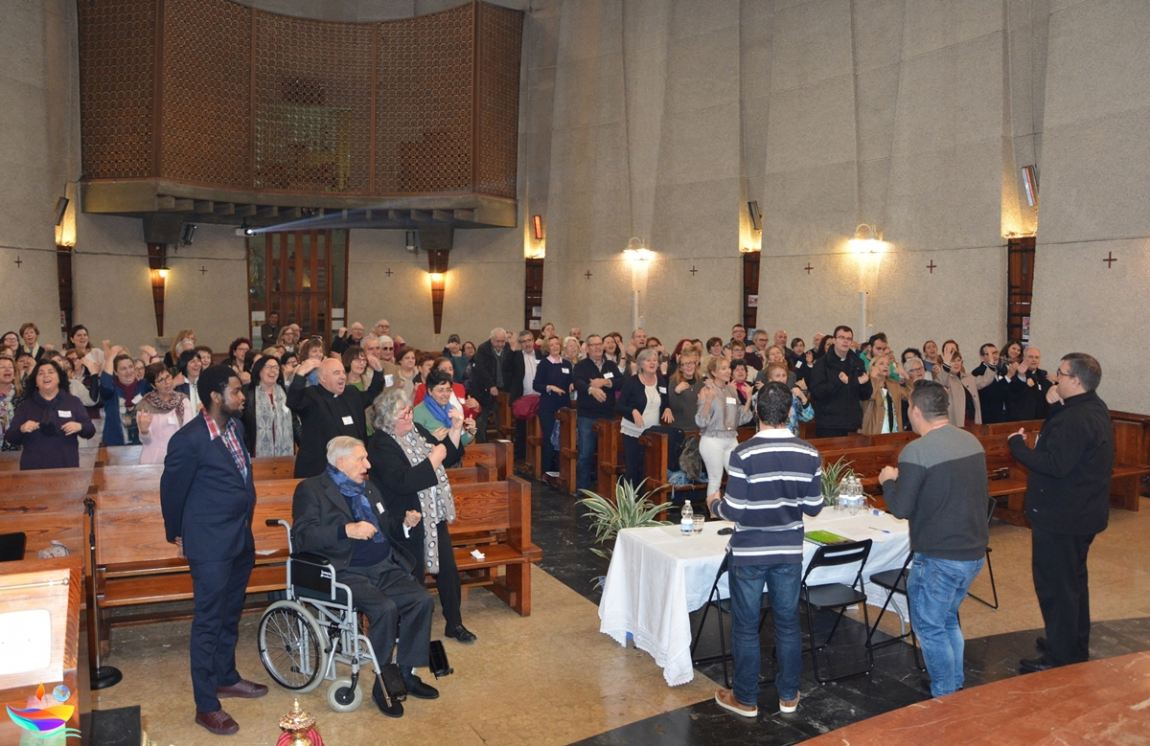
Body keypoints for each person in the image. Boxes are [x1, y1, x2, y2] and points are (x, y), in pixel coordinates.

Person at [291, 435, 437, 718]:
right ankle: (384, 686)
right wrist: (346, 530)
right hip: (343, 571)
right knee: (385, 609)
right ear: (342, 461)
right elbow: (303, 536)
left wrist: (404, 523)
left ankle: (406, 673)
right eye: (361, 459)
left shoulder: (368, 488)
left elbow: (386, 524)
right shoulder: (312, 490)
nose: (368, 464)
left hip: (383, 565)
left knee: (421, 599)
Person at [160, 365, 267, 736]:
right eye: (236, 391)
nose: (242, 396)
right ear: (216, 396)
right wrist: (177, 534)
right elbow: (172, 491)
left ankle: (226, 677)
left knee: (229, 614)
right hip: (209, 544)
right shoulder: (189, 440)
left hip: (239, 539)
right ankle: (206, 704)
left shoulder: (236, 427)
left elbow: (240, 481)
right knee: (207, 621)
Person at [707, 381, 824, 719]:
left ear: (756, 412)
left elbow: (736, 510)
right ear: (790, 413)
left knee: (746, 626)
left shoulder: (743, 453)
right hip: (788, 550)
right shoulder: (808, 452)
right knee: (787, 623)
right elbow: (814, 507)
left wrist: (715, 505)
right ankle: (789, 695)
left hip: (749, 552)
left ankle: (745, 698)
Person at [878, 380, 989, 697]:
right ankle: (955, 684)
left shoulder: (917, 450)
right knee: (948, 620)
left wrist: (889, 481)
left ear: (915, 409)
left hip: (940, 556)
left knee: (930, 627)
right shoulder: (971, 441)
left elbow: (900, 508)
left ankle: (945, 694)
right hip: (972, 551)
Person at [1010, 353, 1114, 673]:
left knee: (1057, 587)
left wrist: (1018, 448)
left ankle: (1060, 656)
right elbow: (1067, 446)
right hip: (1082, 514)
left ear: (1076, 381)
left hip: (1062, 517)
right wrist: (1055, 405)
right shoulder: (1092, 408)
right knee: (1073, 583)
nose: (1056, 378)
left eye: (1061, 374)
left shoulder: (1075, 418)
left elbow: (1055, 463)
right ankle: (1071, 641)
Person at [369, 388, 476, 645]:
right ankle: (409, 631)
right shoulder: (381, 444)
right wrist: (433, 460)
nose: (410, 416)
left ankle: (455, 623)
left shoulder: (415, 429)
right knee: (412, 576)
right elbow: (402, 482)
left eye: (408, 411)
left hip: (433, 513)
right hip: (408, 518)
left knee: (449, 572)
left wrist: (456, 429)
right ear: (388, 419)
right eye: (405, 413)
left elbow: (447, 455)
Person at [288, 356, 385, 477]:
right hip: (320, 470)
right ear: (323, 378)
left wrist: (378, 372)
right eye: (336, 373)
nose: (343, 376)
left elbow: (372, 394)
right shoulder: (311, 395)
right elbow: (293, 401)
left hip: (353, 468)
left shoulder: (351, 393)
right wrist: (300, 374)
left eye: (343, 372)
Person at [3, 359, 95, 469]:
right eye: (41, 373)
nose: (46, 375)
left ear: (59, 378)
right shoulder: (25, 406)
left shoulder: (73, 402)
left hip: (67, 467)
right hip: (32, 471)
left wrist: (80, 426)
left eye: (51, 372)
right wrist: (22, 429)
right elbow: (10, 437)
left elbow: (90, 431)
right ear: (36, 382)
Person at [696, 357, 753, 497]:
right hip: (712, 439)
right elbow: (701, 422)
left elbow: (741, 418)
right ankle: (714, 514)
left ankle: (734, 510)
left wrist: (749, 398)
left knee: (737, 476)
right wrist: (708, 401)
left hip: (731, 438)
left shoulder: (731, 390)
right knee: (715, 479)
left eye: (728, 368)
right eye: (723, 368)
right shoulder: (706, 390)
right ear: (714, 372)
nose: (728, 371)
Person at [572, 334, 621, 491]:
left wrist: (605, 382)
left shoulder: (611, 366)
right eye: (593, 345)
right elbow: (578, 382)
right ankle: (583, 488)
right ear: (587, 348)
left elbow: (621, 381)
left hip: (608, 416)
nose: (597, 347)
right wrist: (591, 389)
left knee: (608, 455)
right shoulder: (581, 365)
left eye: (600, 344)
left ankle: (605, 489)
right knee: (586, 454)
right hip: (587, 415)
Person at [616, 348, 671, 489]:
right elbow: (619, 405)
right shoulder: (632, 382)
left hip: (652, 433)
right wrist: (633, 411)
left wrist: (667, 408)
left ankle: (645, 502)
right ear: (640, 364)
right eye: (648, 360)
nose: (652, 363)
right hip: (633, 431)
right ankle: (628, 502)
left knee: (649, 469)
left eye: (654, 360)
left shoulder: (661, 381)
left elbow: (665, 400)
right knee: (633, 469)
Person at [809, 325, 872, 436]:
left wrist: (865, 382)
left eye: (848, 339)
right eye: (841, 337)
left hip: (852, 423)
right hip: (828, 424)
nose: (845, 341)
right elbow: (817, 392)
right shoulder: (821, 364)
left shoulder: (857, 362)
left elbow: (865, 395)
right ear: (834, 340)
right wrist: (841, 381)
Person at [413, 369, 477, 466]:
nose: (446, 394)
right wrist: (432, 439)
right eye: (440, 390)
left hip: (454, 462)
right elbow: (415, 445)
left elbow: (458, 443)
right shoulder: (419, 412)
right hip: (434, 465)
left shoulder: (452, 409)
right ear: (430, 391)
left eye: (448, 390)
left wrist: (471, 431)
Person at [533, 335, 572, 474]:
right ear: (547, 348)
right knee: (549, 439)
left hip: (564, 407)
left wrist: (572, 384)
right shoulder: (544, 364)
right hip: (548, 406)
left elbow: (570, 380)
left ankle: (561, 470)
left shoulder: (567, 364)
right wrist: (550, 387)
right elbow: (536, 385)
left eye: (557, 344)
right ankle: (547, 471)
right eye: (552, 345)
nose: (555, 347)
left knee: (564, 439)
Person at [137, 363, 190, 464]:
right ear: (153, 385)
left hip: (178, 457)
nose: (167, 382)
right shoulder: (145, 404)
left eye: (168, 377)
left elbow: (189, 432)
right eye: (160, 380)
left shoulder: (183, 401)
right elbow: (146, 441)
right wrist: (144, 431)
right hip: (153, 459)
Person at [241, 356, 294, 457]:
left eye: (276, 367)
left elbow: (294, 421)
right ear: (259, 370)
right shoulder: (247, 392)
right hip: (254, 452)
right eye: (269, 367)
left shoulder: (285, 393)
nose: (273, 371)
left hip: (283, 453)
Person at [100, 341, 151, 446]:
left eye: (131, 367)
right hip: (115, 444)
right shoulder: (111, 389)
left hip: (142, 443)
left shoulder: (144, 385)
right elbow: (105, 385)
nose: (129, 371)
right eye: (123, 369)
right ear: (115, 372)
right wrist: (111, 356)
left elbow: (159, 377)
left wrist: (153, 356)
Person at [468, 327, 511, 443]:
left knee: (501, 419)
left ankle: (502, 446)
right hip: (483, 391)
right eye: (498, 341)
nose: (501, 344)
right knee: (482, 420)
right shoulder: (483, 349)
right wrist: (491, 385)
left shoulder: (507, 348)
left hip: (502, 391)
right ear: (491, 339)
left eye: (503, 341)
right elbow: (481, 371)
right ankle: (481, 445)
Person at [508, 329, 541, 461]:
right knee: (521, 429)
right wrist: (512, 349)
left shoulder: (541, 355)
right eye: (523, 341)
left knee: (539, 428)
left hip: (539, 397)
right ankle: (520, 456)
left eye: (529, 340)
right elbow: (506, 367)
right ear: (520, 344)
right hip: (522, 397)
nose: (527, 344)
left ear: (533, 341)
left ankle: (537, 456)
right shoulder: (515, 356)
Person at [1006, 346, 1053, 421]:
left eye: (1037, 357)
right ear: (1024, 358)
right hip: (1021, 420)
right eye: (1031, 357)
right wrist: (1021, 376)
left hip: (1041, 420)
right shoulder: (1016, 373)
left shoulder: (1044, 375)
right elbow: (1013, 390)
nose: (1034, 360)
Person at [970, 343, 1012, 424]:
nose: (993, 356)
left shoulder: (1003, 370)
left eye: (995, 353)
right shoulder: (977, 372)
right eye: (988, 354)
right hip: (989, 418)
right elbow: (992, 393)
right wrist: (1008, 378)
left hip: (1006, 416)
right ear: (982, 358)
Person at [0, 356, 25, 453]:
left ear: (15, 374)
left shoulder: (23, 396)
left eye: (10, 367)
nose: (7, 369)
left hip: (18, 450)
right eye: (2, 367)